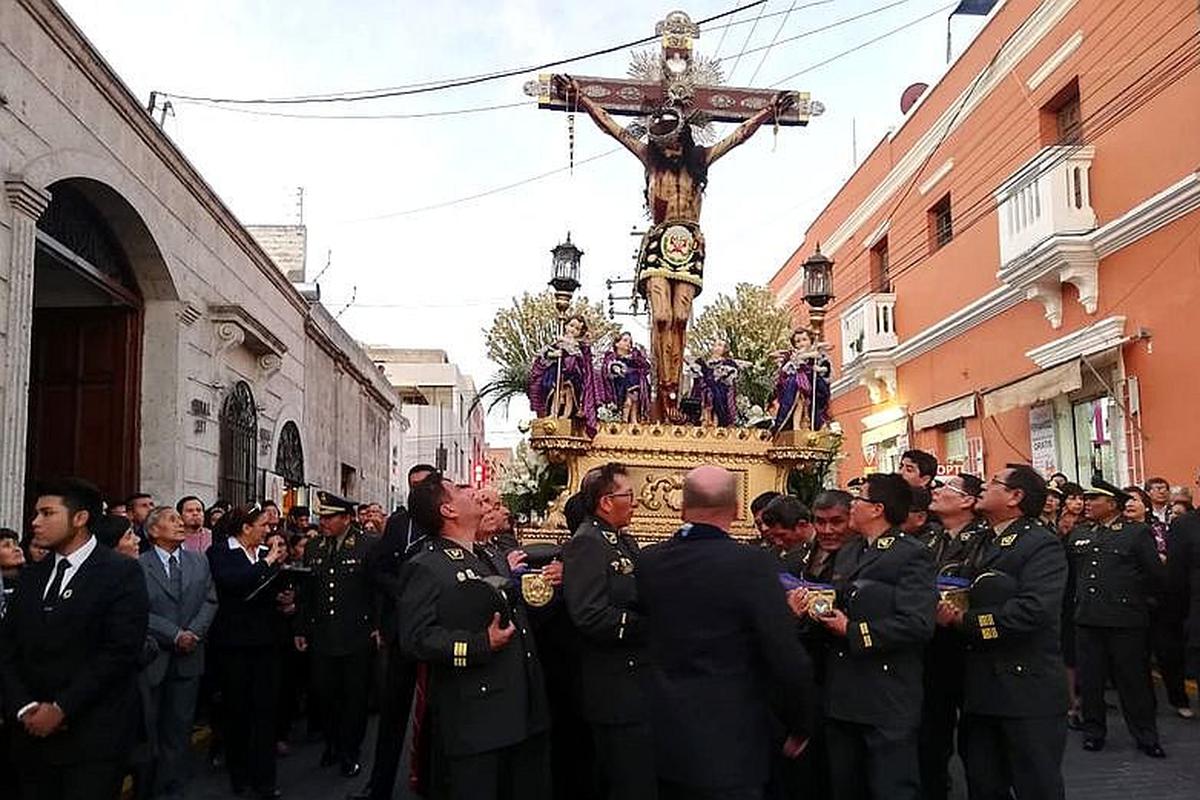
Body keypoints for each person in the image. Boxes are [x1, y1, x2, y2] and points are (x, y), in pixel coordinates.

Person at [560, 74, 794, 422]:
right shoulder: (649, 160)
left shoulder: (701, 159)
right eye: (663, 142)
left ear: (683, 137)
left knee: (681, 318)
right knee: (662, 317)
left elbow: (738, 137)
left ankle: (673, 393)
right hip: (659, 241)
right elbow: (612, 128)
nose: (669, 148)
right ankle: (661, 393)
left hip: (690, 242)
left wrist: (767, 112)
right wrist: (581, 100)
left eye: (673, 141)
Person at [638, 465, 814, 799]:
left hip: (667, 729)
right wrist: (800, 723)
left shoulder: (651, 562)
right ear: (735, 509)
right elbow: (784, 654)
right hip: (734, 734)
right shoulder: (751, 564)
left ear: (681, 508)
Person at [398, 472, 550, 800]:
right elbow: (416, 639)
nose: (474, 495)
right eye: (460, 491)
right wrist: (479, 645)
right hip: (475, 720)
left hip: (513, 709)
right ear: (448, 511)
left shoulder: (486, 557)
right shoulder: (427, 566)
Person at [0, 477, 150, 800]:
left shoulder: (121, 574)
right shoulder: (31, 575)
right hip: (30, 740)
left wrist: (62, 708)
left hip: (92, 741)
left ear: (79, 519)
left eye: (47, 513)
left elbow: (119, 652)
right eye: (36, 513)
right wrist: (24, 707)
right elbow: (7, 648)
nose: (35, 522)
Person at [939, 464, 1069, 799]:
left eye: (993, 482)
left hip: (1025, 689)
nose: (983, 486)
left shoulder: (1040, 544)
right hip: (979, 690)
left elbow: (1032, 611)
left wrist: (963, 622)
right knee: (984, 784)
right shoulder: (982, 539)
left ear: (1015, 496)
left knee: (1036, 785)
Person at [803, 472, 935, 800]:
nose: (852, 505)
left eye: (858, 498)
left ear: (877, 508)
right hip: (844, 691)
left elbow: (917, 623)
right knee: (846, 784)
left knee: (890, 785)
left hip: (886, 692)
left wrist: (852, 630)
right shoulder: (850, 551)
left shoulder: (910, 553)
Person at [562, 462, 654, 800]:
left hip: (635, 682)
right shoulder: (588, 543)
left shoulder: (620, 541)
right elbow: (588, 614)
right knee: (626, 780)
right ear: (605, 502)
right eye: (628, 495)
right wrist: (647, 627)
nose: (635, 501)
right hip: (614, 684)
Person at [354, 464, 437, 800]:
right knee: (393, 713)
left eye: (425, 485)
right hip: (402, 630)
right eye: (412, 486)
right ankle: (380, 785)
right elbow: (377, 567)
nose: (418, 491)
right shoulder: (399, 524)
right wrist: (403, 591)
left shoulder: (445, 522)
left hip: (438, 631)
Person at [1067, 481, 1166, 757]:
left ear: (1112, 504)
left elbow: (1155, 575)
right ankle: (1093, 731)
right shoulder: (1079, 533)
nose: (1087, 503)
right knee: (1091, 681)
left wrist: (1141, 603)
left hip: (1126, 620)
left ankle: (1146, 735)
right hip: (1087, 618)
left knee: (1133, 681)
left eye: (1094, 498)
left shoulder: (1136, 533)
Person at [206, 504, 289, 798]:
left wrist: (284, 596)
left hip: (266, 644)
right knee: (237, 712)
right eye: (263, 525)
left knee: (265, 712)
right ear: (245, 528)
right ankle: (239, 774)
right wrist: (267, 563)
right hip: (234, 646)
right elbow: (234, 583)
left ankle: (265, 780)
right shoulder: (219, 553)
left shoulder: (263, 554)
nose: (268, 530)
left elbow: (265, 589)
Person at [295, 491, 377, 779]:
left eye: (330, 517)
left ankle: (349, 751)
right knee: (324, 695)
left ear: (347, 519)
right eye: (322, 517)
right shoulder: (315, 546)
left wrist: (377, 626)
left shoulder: (367, 546)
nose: (324, 522)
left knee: (354, 698)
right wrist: (302, 628)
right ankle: (332, 743)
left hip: (356, 634)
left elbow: (377, 590)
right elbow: (307, 593)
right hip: (323, 635)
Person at [919, 474, 991, 800]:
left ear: (967, 501)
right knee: (932, 734)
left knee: (976, 738)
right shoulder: (932, 539)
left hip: (970, 645)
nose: (935, 490)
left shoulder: (984, 539)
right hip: (932, 646)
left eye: (945, 488)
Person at [139, 505, 218, 800]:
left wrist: (193, 633)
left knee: (179, 726)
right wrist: (173, 634)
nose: (181, 523)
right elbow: (138, 610)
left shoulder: (199, 562)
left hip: (190, 656)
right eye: (172, 519)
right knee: (149, 727)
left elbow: (210, 601)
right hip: (154, 658)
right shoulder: (138, 565)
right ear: (153, 531)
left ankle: (171, 786)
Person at [1125, 486, 1191, 718]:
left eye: (1134, 500)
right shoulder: (1118, 532)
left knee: (1169, 653)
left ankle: (1179, 698)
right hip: (1133, 600)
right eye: (1125, 501)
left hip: (1164, 599)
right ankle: (1144, 704)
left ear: (1145, 503)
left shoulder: (1162, 528)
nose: (1129, 504)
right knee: (1137, 656)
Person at [528, 314, 599, 434]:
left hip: (572, 374)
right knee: (555, 393)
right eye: (571, 326)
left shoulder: (578, 345)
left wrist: (574, 351)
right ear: (565, 326)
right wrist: (554, 354)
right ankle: (552, 413)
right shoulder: (558, 341)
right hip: (557, 373)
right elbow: (543, 355)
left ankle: (566, 415)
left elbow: (582, 360)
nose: (573, 330)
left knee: (568, 394)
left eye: (577, 329)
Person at [772, 328, 832, 432]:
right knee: (798, 400)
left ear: (810, 340)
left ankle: (815, 423)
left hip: (812, 382)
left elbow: (824, 365)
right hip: (797, 381)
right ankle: (796, 425)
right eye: (798, 341)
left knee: (812, 401)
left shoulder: (815, 353)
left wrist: (819, 368)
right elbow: (783, 360)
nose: (801, 343)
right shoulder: (794, 354)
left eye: (804, 339)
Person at [687, 340, 745, 427]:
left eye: (720, 345)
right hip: (704, 390)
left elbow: (726, 383)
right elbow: (700, 377)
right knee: (704, 393)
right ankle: (703, 419)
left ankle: (717, 420)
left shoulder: (727, 364)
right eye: (716, 345)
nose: (717, 347)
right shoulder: (705, 363)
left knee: (713, 393)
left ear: (725, 349)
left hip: (720, 390)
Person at [599, 331, 652, 424]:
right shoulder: (611, 357)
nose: (628, 343)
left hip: (633, 385)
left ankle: (631, 416)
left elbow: (646, 367)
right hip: (617, 386)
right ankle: (626, 414)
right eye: (625, 340)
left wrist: (636, 358)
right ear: (617, 343)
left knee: (634, 386)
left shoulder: (634, 358)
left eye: (630, 342)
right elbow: (606, 370)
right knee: (630, 380)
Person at [759, 495, 815, 576]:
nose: (778, 542)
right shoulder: (773, 553)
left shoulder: (830, 550)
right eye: (773, 536)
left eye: (782, 535)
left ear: (802, 525)